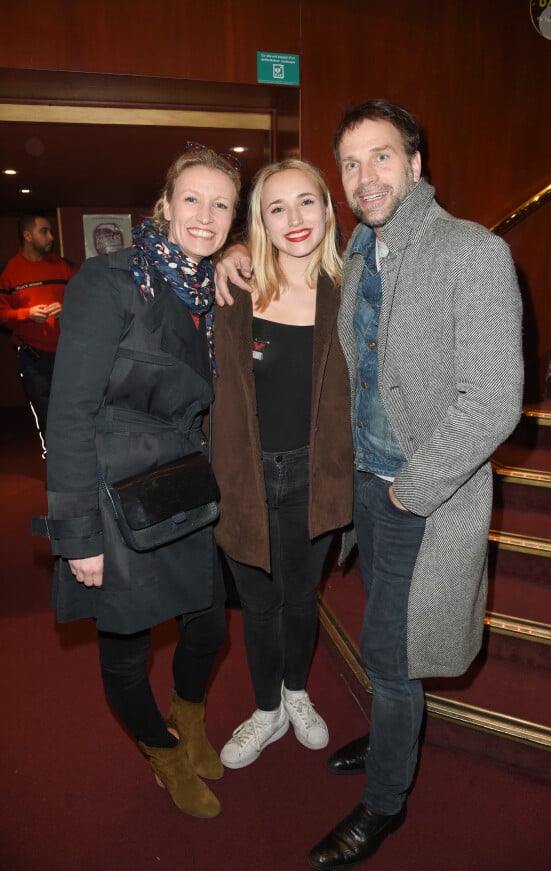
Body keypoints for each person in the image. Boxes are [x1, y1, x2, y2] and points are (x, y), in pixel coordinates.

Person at [215, 100, 524, 869]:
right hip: (367, 492)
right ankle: (391, 731)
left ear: (416, 164)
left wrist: (407, 489)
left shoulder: (472, 252)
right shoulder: (356, 254)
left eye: (381, 157)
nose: (364, 176)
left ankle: (385, 802)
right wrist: (230, 253)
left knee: (393, 653)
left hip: (424, 498)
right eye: (350, 163)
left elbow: (493, 401)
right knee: (391, 647)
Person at [35, 145, 242, 819]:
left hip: (181, 487)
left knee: (209, 626)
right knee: (125, 648)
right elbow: (68, 413)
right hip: (111, 494)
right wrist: (78, 535)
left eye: (221, 204)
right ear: (165, 203)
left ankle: (189, 718)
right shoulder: (111, 279)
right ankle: (162, 750)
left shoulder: (208, 292)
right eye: (193, 198)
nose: (205, 216)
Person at [211, 159, 352, 770]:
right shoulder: (232, 291)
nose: (295, 219)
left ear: (327, 208)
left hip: (316, 477)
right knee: (258, 604)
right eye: (276, 208)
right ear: (259, 223)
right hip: (244, 477)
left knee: (301, 599)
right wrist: (229, 252)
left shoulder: (352, 296)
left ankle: (296, 692)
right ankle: (265, 709)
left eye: (306, 203)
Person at [0, 214, 75, 453]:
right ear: (27, 235)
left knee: (74, 410)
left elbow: (85, 299)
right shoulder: (9, 272)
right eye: (44, 231)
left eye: (51, 231)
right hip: (33, 358)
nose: (51, 237)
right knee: (46, 414)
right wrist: (26, 313)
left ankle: (81, 462)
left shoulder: (62, 266)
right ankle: (57, 467)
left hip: (67, 354)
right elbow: (2, 315)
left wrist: (67, 307)